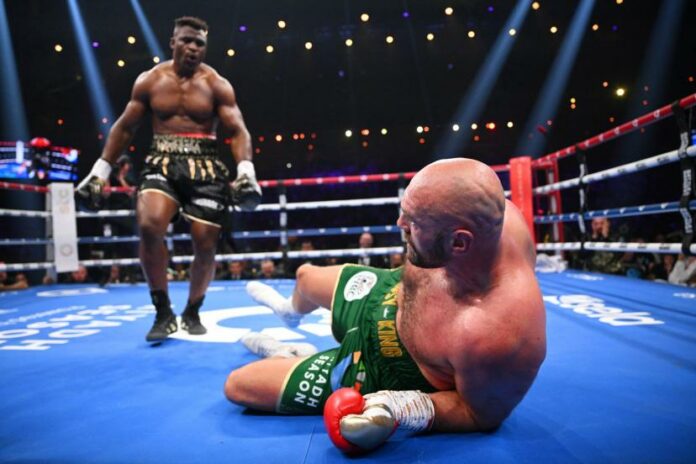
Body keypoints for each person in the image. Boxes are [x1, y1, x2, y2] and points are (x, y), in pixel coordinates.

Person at [224, 158, 546, 452]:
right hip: (389, 292)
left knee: (239, 385)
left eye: (413, 223)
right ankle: (288, 313)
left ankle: (289, 353)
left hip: (382, 370)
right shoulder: (486, 210)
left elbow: (479, 415)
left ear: (458, 242)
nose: (399, 224)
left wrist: (403, 408)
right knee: (305, 277)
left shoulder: (502, 333)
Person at [75, 17, 261, 342]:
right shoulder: (150, 81)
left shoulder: (217, 84)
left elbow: (237, 130)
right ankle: (162, 311)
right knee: (149, 226)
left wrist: (246, 170)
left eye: (199, 43)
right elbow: (124, 127)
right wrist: (100, 171)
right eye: (187, 40)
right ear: (173, 41)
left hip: (205, 167)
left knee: (205, 243)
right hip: (161, 161)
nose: (192, 48)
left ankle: (192, 310)